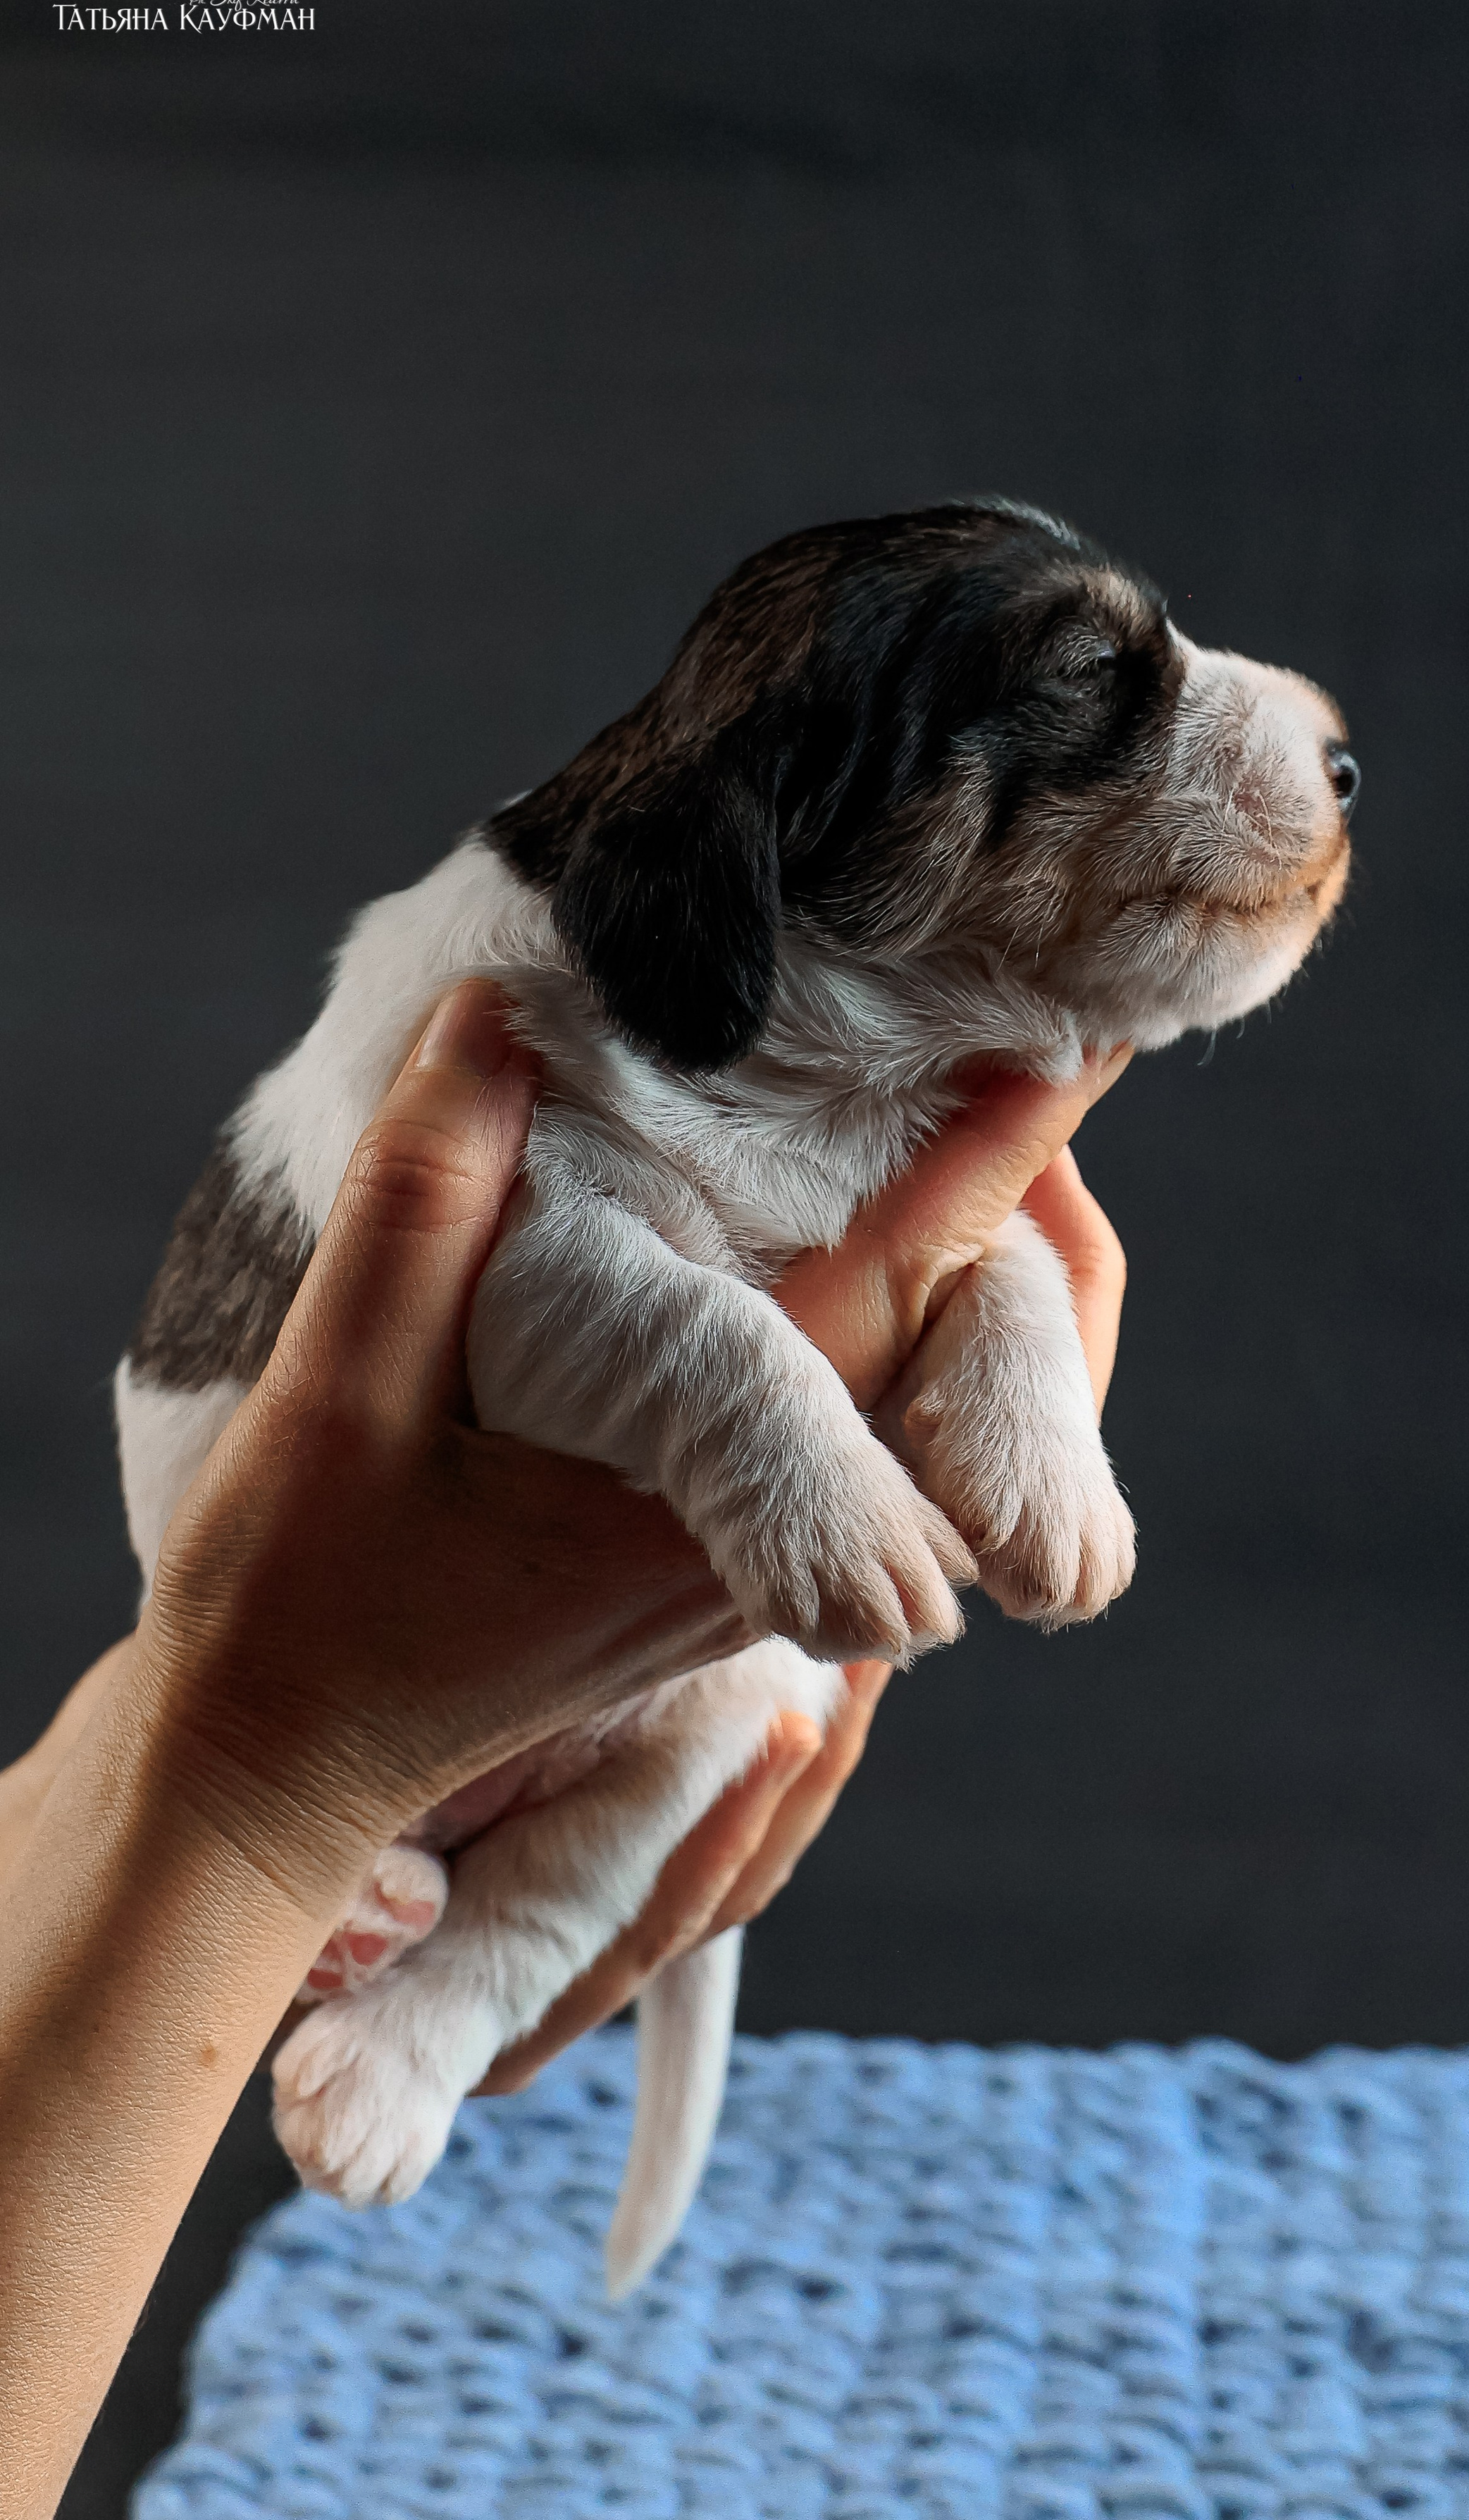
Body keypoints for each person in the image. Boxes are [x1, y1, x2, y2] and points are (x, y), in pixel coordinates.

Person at [0, 980, 1129, 2516]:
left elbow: (983, 1251)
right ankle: (422, 1929)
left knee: (726, 1722)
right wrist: (246, 1797)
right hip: (363, 1690)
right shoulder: (609, 1076)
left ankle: (453, 1976)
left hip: (590, 1703)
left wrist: (1021, 1381)